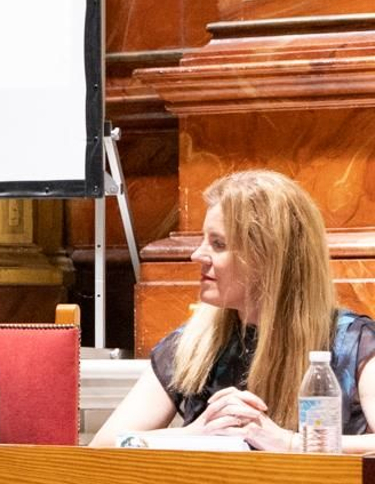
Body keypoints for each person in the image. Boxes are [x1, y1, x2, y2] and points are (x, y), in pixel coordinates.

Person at [91, 169, 375, 452]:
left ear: (268, 259)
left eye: (218, 244)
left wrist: (289, 442)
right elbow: (102, 447)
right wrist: (191, 435)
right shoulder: (193, 344)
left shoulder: (352, 342)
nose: (197, 255)